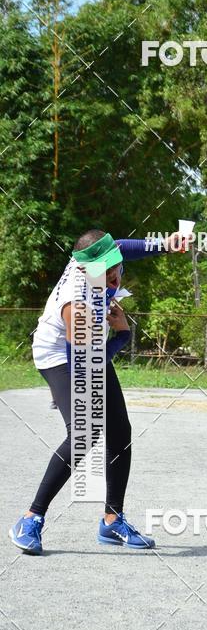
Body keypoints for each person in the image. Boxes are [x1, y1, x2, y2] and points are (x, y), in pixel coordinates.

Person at [9, 229, 186, 555]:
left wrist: (167, 245)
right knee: (84, 431)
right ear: (84, 269)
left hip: (88, 348)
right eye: (104, 273)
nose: (113, 276)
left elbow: (127, 246)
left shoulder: (108, 254)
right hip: (58, 354)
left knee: (120, 430)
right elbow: (88, 365)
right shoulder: (75, 304)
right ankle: (31, 517)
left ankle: (111, 520)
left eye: (114, 266)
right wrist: (122, 336)